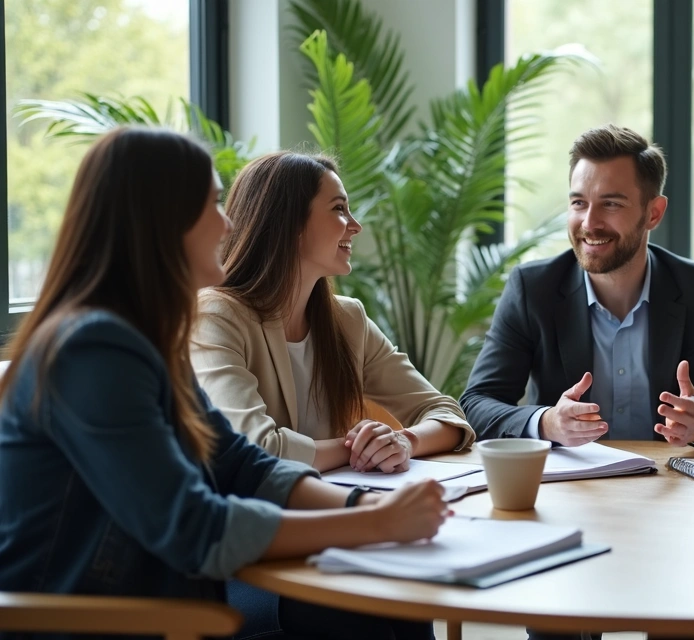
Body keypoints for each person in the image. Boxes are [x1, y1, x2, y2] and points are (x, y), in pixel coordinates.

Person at [0, 127, 450, 640]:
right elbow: (196, 528)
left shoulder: (144, 340)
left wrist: (366, 505)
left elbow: (240, 463)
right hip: (90, 626)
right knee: (363, 609)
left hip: (161, 606)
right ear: (160, 221)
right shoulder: (93, 350)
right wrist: (373, 525)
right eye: (212, 203)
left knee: (385, 602)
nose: (229, 222)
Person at [460, 124, 694, 450]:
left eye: (610, 204)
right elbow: (476, 404)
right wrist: (546, 422)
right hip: (569, 487)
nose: (589, 223)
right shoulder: (532, 289)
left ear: (653, 213)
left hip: (673, 484)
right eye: (579, 203)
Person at [190, 151, 475, 476]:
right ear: (290, 223)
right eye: (339, 209)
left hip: (341, 508)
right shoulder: (215, 315)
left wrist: (404, 441)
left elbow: (447, 414)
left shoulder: (347, 320)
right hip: (262, 520)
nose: (356, 226)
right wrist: (359, 447)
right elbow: (257, 449)